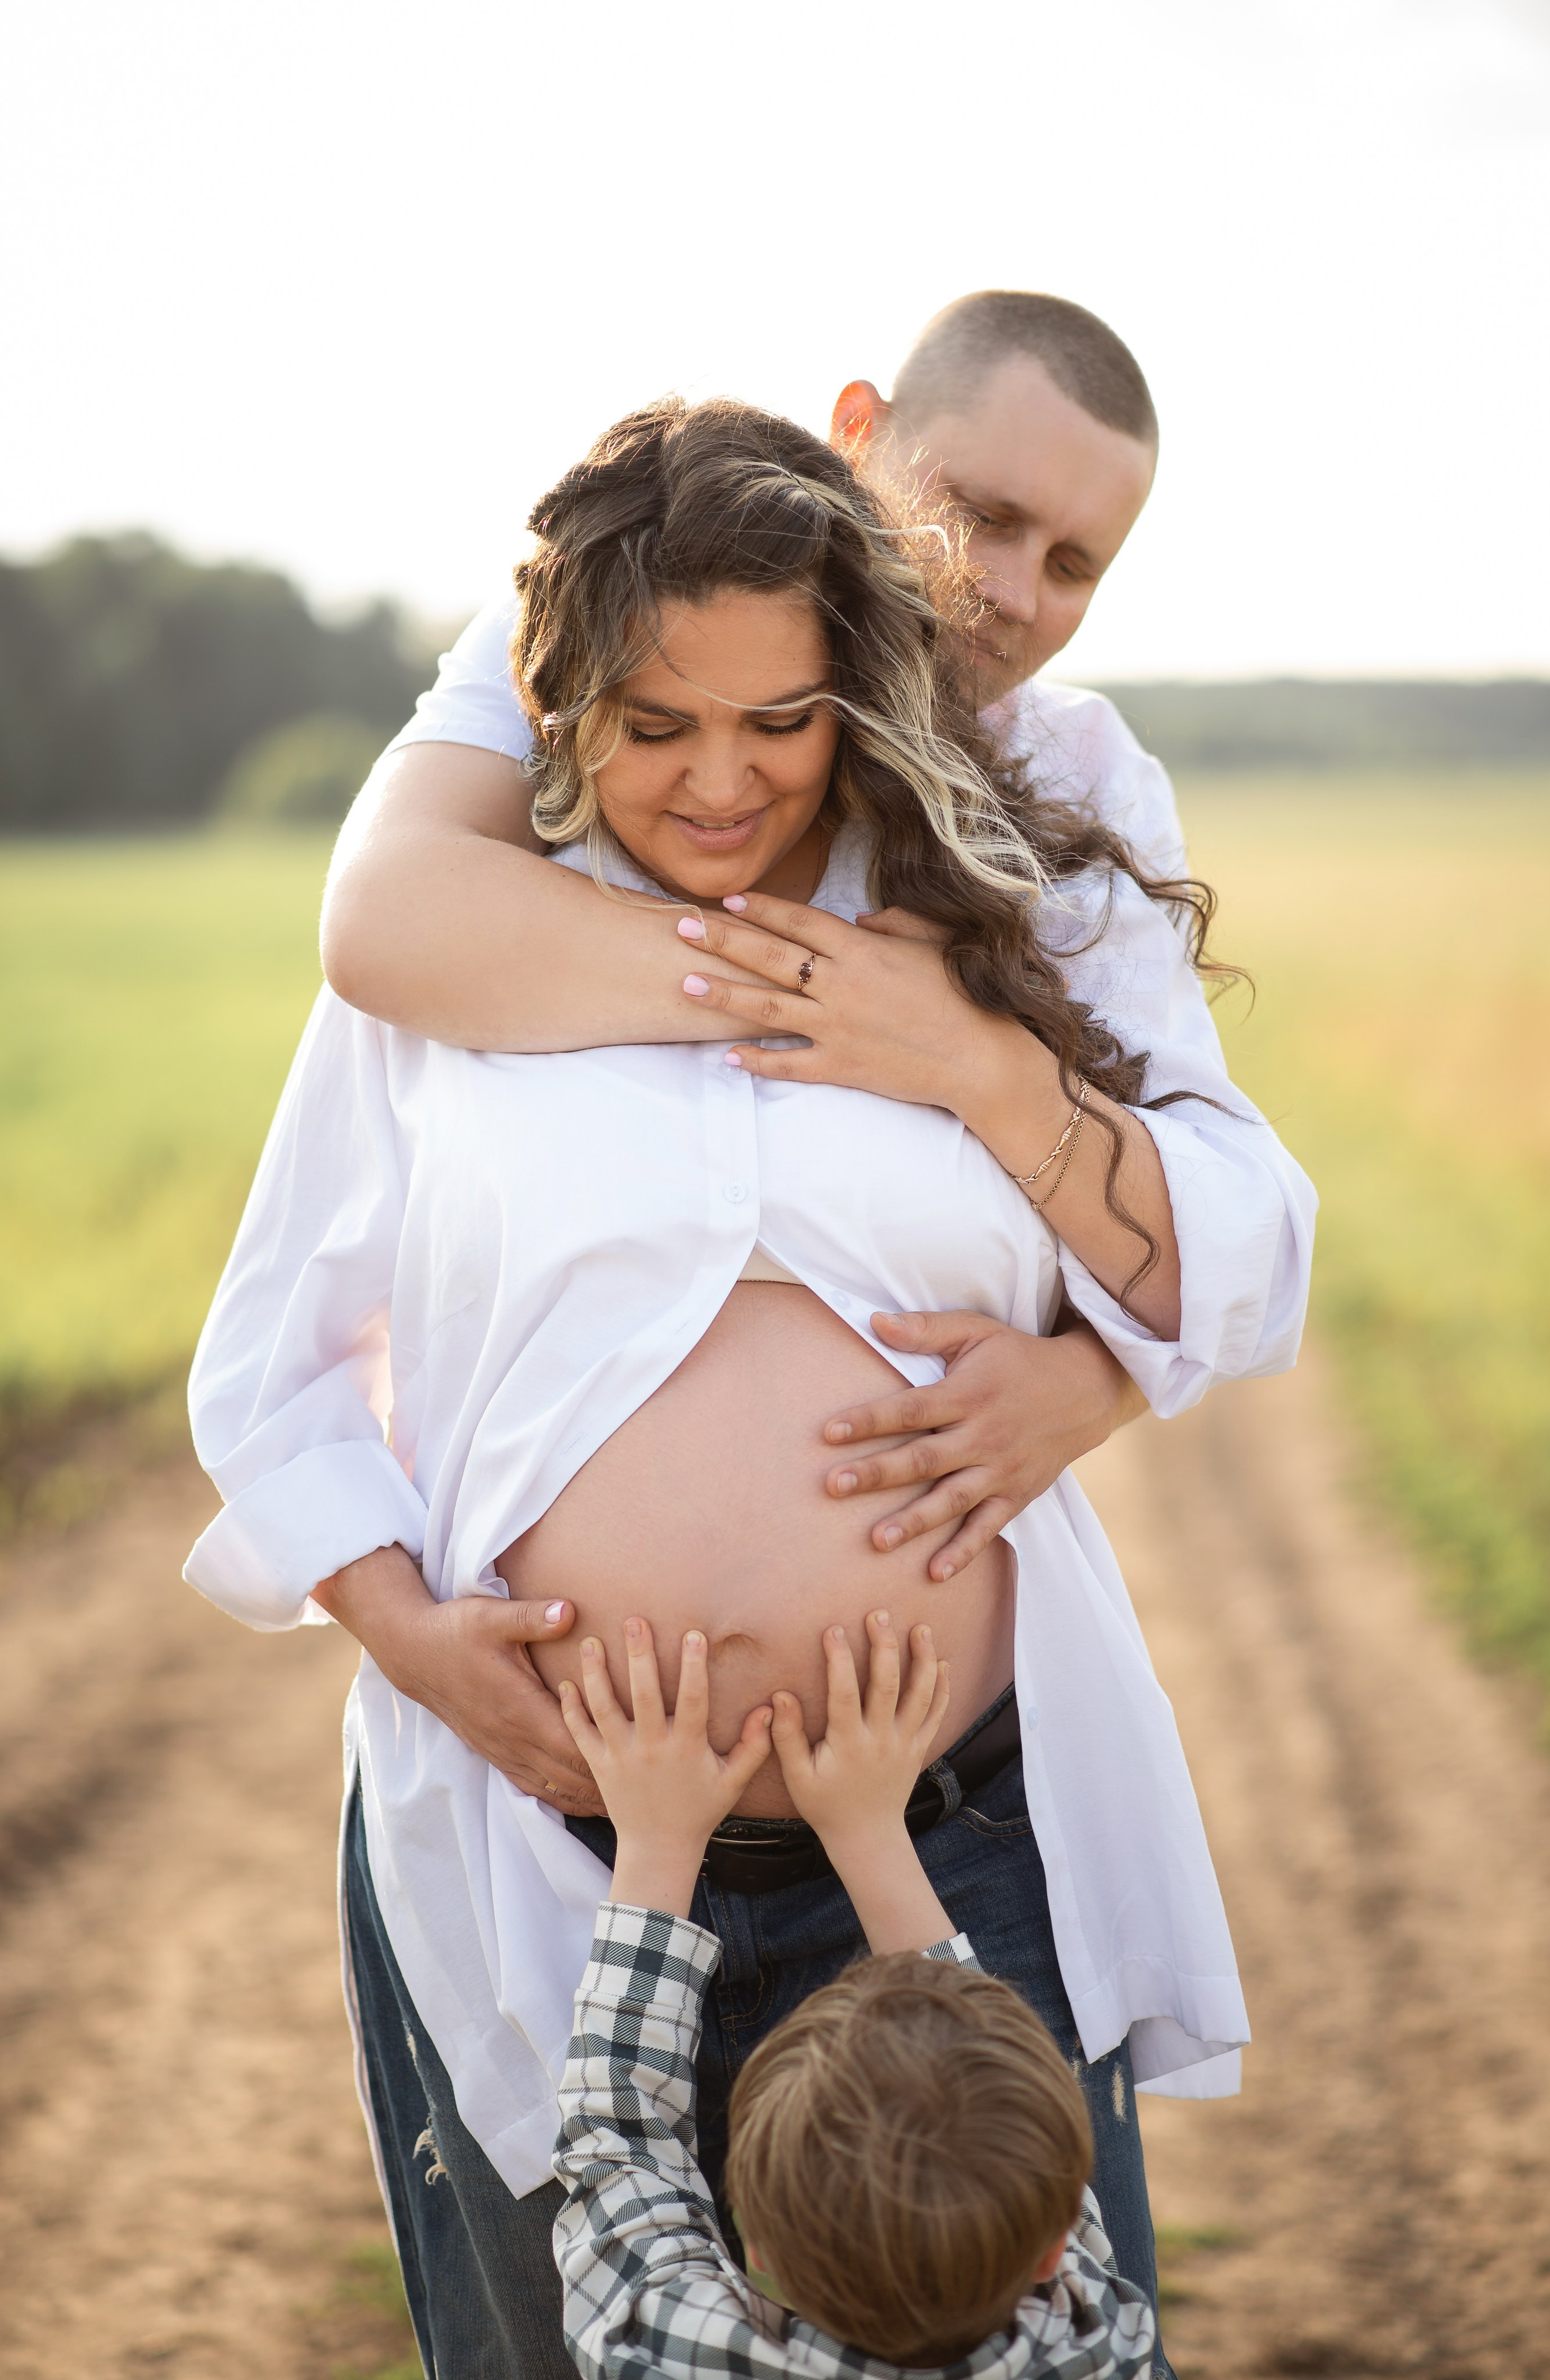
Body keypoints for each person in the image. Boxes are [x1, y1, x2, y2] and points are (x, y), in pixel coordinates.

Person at [184, 395, 1315, 2380]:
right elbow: (272, 1358)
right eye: (653, 726)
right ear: (563, 718)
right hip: (557, 1842)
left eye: (780, 723)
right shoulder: (464, 960)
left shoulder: (995, 885)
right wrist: (414, 1641)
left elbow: (1235, 1250)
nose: (720, 782)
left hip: (955, 1846)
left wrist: (1003, 1135)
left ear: (848, 692)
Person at [317, 294, 1173, 1641]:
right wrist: (821, 990)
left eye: (1072, 564)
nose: (1006, 591)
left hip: (955, 1802)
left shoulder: (1081, 782)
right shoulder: (606, 629)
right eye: (981, 513)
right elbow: (380, 922)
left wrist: (1102, 1374)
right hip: (534, 1819)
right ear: (856, 436)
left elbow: (1226, 1227)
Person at [551, 1609, 1156, 2380]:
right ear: (1054, 2242)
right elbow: (617, 2142)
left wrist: (657, 1843)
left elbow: (616, 2142)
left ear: (755, 2250)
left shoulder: (681, 2351)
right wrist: (871, 1830)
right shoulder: (1094, 2342)